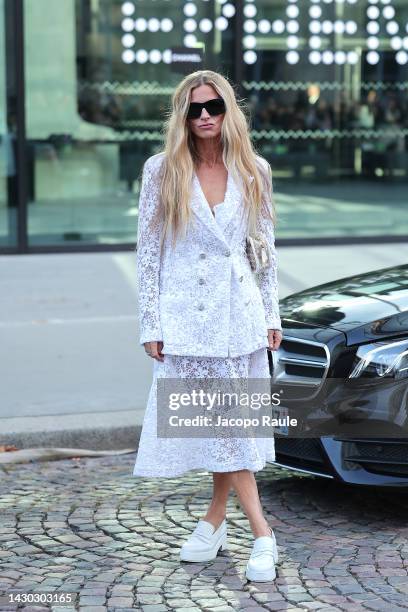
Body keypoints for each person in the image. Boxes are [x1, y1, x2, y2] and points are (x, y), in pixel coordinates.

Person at [132, 69, 283, 582]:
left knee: (226, 424)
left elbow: (264, 250)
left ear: (228, 110)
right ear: (181, 115)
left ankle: (224, 523)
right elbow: (148, 253)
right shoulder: (161, 170)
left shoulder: (253, 168)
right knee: (216, 421)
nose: (203, 116)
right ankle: (258, 531)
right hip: (185, 319)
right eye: (194, 108)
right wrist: (149, 322)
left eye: (213, 106)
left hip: (239, 317)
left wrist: (271, 314)